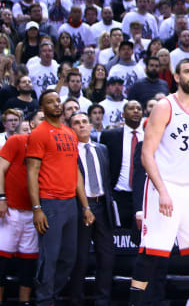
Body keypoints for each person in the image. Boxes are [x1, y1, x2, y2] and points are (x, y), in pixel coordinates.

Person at [129, 59, 189, 306]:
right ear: (177, 77)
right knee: (151, 252)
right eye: (187, 72)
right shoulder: (164, 106)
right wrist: (162, 191)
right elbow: (146, 154)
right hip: (165, 185)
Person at [26, 90, 95, 306]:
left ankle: (50, 296)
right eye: (50, 102)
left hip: (70, 204)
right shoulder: (39, 133)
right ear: (42, 107)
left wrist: (85, 206)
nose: (56, 104)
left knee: (69, 258)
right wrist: (37, 208)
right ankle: (44, 300)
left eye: (58, 100)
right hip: (50, 203)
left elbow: (75, 172)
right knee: (49, 258)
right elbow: (32, 172)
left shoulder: (69, 132)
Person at [68, 112, 115, 306]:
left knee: (107, 256)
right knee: (80, 258)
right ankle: (76, 300)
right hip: (80, 206)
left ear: (90, 125)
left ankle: (102, 300)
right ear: (71, 128)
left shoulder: (102, 149)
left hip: (102, 205)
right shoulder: (69, 151)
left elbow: (107, 177)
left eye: (84, 122)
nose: (81, 126)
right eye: (77, 123)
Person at [0, 120, 35, 305]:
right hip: (10, 210)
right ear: (31, 124)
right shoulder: (17, 141)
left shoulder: (49, 148)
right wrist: (1, 198)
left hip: (34, 213)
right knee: (1, 262)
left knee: (28, 265)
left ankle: (25, 303)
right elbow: (0, 168)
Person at [99, 100, 144, 228]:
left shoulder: (150, 135)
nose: (135, 111)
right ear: (123, 114)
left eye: (138, 109)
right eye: (131, 108)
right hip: (118, 194)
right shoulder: (110, 135)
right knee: (118, 236)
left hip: (142, 195)